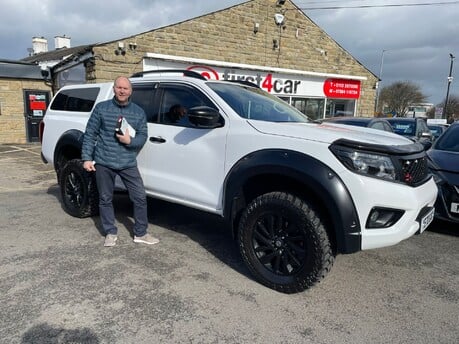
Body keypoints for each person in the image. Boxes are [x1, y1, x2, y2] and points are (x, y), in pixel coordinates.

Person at [81, 76, 159, 247]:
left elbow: (142, 137)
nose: (122, 91)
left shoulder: (138, 112)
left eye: (125, 88)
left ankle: (140, 233)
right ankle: (110, 232)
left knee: (139, 198)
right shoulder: (101, 108)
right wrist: (87, 158)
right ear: (114, 89)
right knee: (105, 198)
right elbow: (90, 134)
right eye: (119, 87)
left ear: (131, 91)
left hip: (127, 162)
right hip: (104, 161)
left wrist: (129, 141)